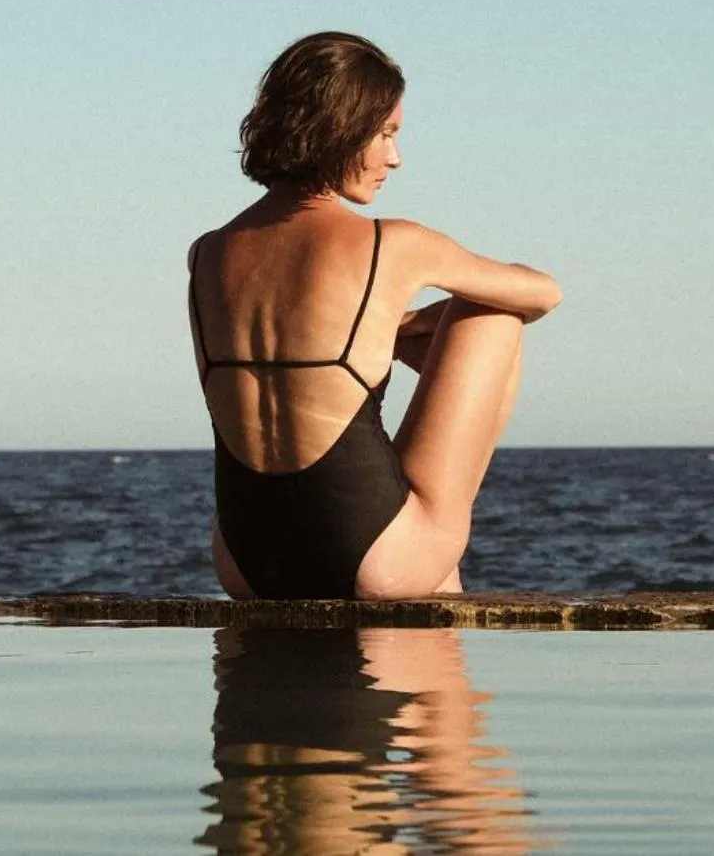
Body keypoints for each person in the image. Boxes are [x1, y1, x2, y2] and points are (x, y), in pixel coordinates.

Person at [187, 32, 561, 600]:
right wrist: (411, 327)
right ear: (338, 126)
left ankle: (434, 589)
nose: (395, 157)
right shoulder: (393, 244)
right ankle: (434, 606)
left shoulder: (208, 252)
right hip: (374, 562)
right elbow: (542, 293)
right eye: (384, 133)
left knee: (434, 568)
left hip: (245, 563)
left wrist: (390, 327)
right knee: (493, 311)